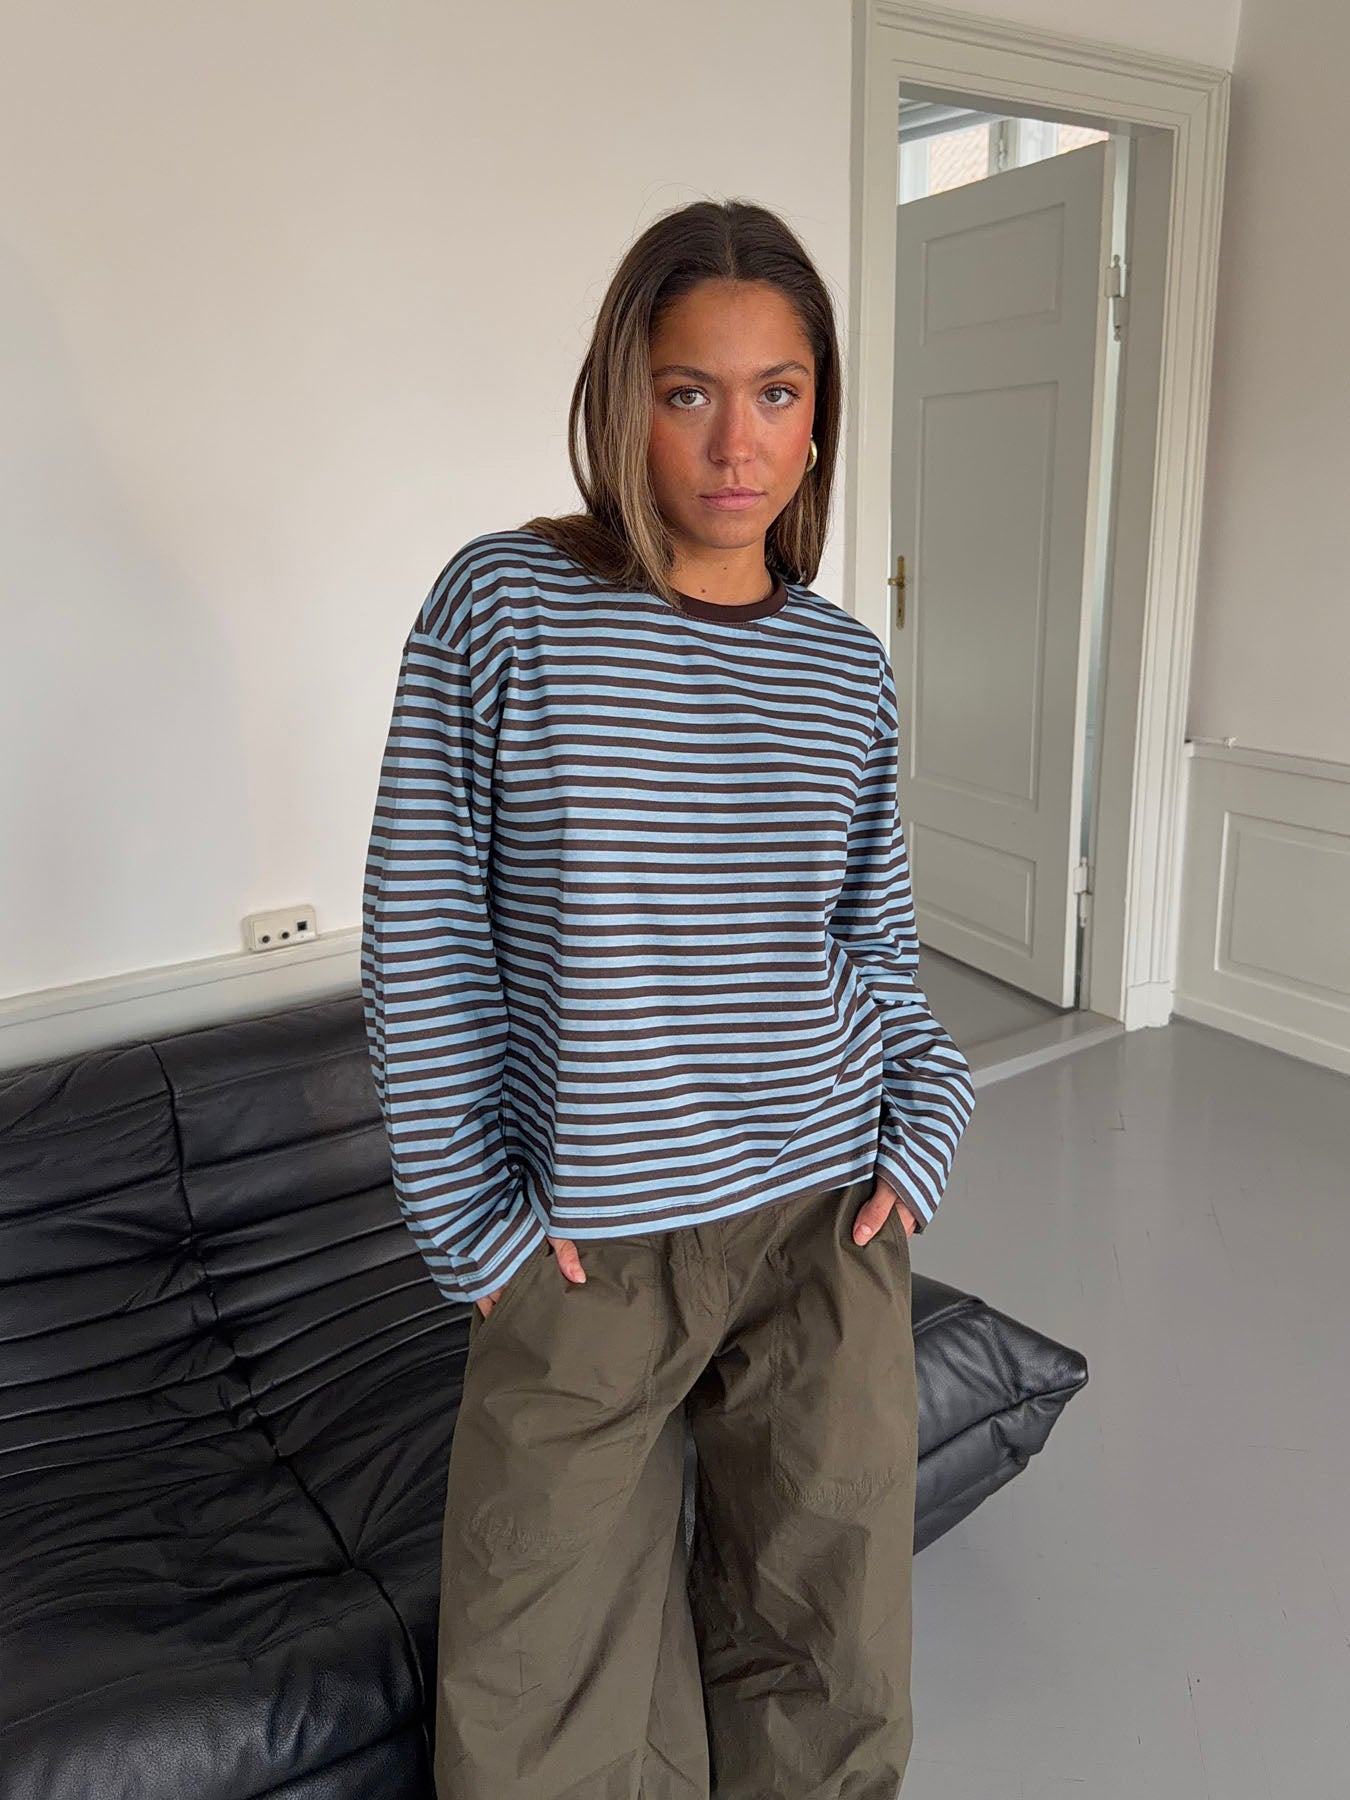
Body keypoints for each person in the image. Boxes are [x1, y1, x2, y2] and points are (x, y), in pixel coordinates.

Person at [360, 197, 975, 1800]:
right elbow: (424, 935)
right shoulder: (505, 606)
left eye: (775, 391)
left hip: (824, 1216)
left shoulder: (843, 667)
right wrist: (472, 1225)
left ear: (817, 414)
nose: (732, 440)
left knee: (829, 1657)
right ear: (620, 397)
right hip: (588, 1242)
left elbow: (874, 942)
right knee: (535, 1696)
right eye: (685, 389)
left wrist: (923, 1125)